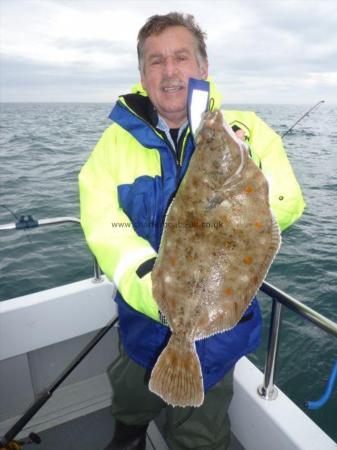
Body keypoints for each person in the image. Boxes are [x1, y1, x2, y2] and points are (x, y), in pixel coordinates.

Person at [79, 12, 305, 450]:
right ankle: (129, 433)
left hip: (219, 336)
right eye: (156, 61)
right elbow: (102, 221)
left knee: (200, 434)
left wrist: (248, 197)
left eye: (181, 57)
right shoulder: (113, 145)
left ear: (203, 66)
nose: (169, 71)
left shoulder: (246, 130)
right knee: (130, 398)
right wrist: (151, 286)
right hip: (141, 317)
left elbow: (289, 202)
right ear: (143, 75)